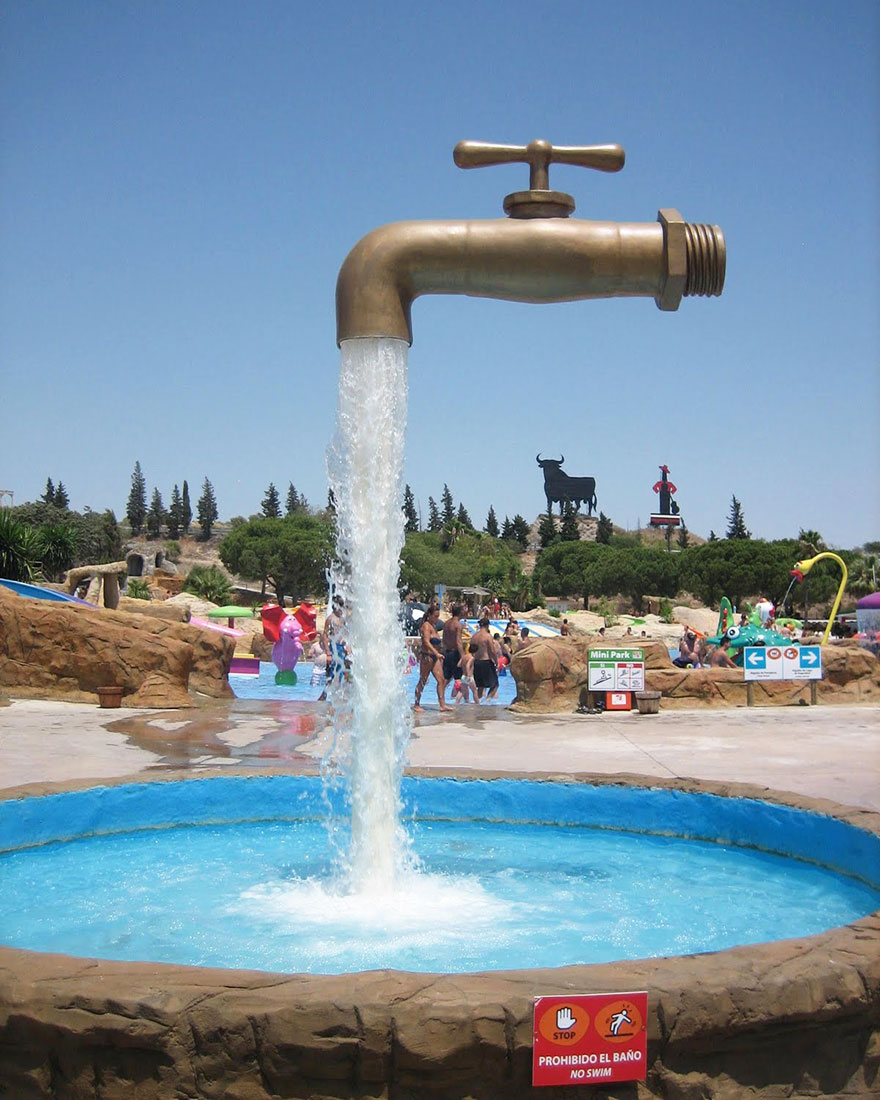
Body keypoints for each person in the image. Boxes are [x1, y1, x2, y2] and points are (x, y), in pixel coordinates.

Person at [414, 603, 449, 711]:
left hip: (434, 657)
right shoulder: (426, 626)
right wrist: (436, 653)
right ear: (429, 615)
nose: (437, 619)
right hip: (427, 657)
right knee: (423, 680)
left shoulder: (433, 626)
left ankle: (442, 705)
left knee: (441, 680)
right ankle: (416, 704)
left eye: (438, 616)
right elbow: (426, 641)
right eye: (435, 616)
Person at [318, 595, 348, 701]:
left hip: (343, 648)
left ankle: (341, 696)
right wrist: (328, 653)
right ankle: (324, 695)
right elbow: (325, 635)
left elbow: (347, 634)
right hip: (335, 648)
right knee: (333, 673)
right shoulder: (331, 618)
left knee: (345, 672)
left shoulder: (343, 618)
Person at [470, 617, 500, 701]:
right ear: (487, 626)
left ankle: (478, 703)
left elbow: (471, 651)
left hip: (476, 662)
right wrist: (496, 661)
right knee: (495, 685)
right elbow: (492, 651)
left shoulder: (474, 636)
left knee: (480, 687)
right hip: (486, 662)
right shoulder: (487, 636)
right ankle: (488, 701)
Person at [441, 604, 466, 705]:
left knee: (446, 678)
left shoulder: (446, 623)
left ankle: (441, 697)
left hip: (447, 652)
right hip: (455, 653)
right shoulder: (458, 625)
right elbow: (458, 642)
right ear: (460, 612)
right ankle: (457, 701)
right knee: (459, 678)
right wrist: (463, 656)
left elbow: (444, 640)